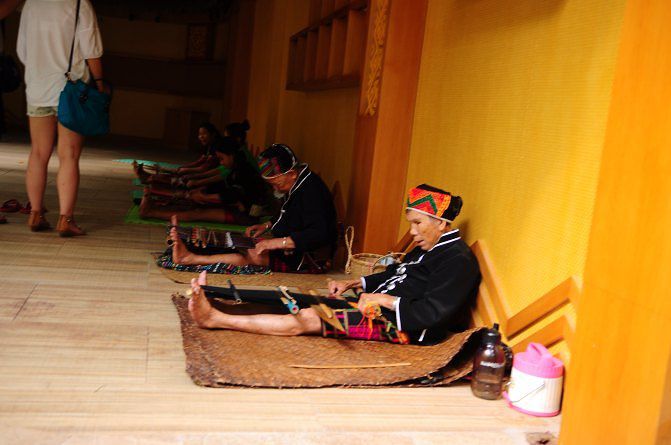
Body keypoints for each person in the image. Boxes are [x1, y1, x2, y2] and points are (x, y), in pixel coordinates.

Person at [186, 184, 481, 345]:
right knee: (295, 299)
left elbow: (432, 314)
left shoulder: (457, 260)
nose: (412, 232)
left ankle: (215, 318)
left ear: (441, 223)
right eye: (411, 224)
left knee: (307, 318)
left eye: (418, 223)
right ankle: (215, 295)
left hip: (403, 328)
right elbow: (396, 274)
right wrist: (356, 283)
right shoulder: (431, 246)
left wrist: (384, 300)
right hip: (376, 307)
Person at [170, 143, 337, 273]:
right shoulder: (298, 183)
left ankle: (189, 258)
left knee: (252, 255)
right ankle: (189, 243)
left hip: (311, 258)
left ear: (292, 174)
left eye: (276, 184)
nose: (275, 189)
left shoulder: (311, 192)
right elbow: (291, 213)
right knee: (244, 243)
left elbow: (318, 233)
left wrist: (277, 243)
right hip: (296, 246)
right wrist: (267, 225)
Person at [17, 0, 104, 236]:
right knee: (69, 155)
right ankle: (66, 219)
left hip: (37, 89)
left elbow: (22, 51)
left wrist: (41, 71)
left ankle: (36, 213)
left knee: (38, 153)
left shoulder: (31, 4)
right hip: (71, 91)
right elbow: (92, 51)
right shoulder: (79, 3)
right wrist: (100, 83)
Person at [139, 137, 272, 225]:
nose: (221, 162)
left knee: (197, 213)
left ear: (231, 155)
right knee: (194, 202)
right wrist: (203, 191)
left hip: (247, 215)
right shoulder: (236, 168)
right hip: (237, 205)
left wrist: (205, 196)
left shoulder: (244, 171)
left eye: (221, 159)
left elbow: (233, 195)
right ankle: (154, 205)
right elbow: (224, 187)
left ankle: (150, 212)